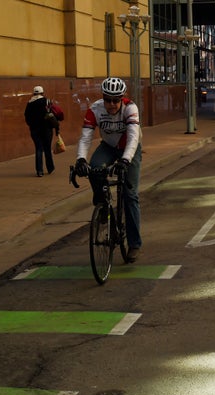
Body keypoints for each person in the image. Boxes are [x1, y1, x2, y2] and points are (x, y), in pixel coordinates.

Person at [74, 77, 143, 263]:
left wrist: (125, 161)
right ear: (102, 98)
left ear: (122, 98)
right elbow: (86, 137)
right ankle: (102, 204)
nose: (111, 104)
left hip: (129, 147)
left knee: (130, 195)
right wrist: (80, 159)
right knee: (95, 168)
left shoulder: (130, 108)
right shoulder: (95, 109)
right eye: (107, 99)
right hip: (108, 146)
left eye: (115, 100)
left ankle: (134, 244)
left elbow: (133, 138)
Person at [24, 85, 56, 177]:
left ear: (34, 93)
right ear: (42, 93)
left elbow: (26, 116)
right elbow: (52, 113)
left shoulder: (29, 103)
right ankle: (50, 168)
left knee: (38, 149)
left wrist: (31, 125)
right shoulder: (46, 101)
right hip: (46, 129)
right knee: (47, 148)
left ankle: (39, 171)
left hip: (35, 129)